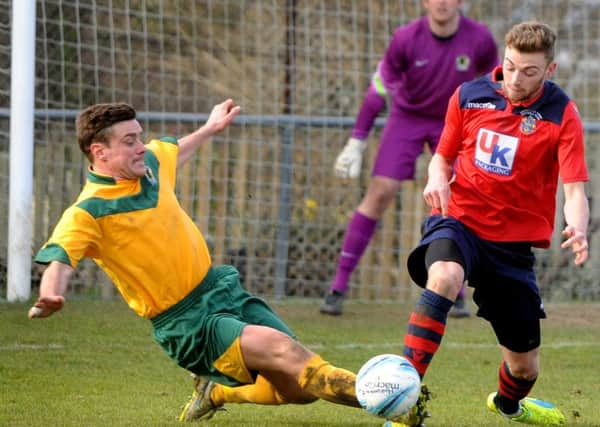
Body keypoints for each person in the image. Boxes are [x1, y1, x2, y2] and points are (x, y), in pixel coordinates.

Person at [27, 99, 362, 422]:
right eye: (130, 141)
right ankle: (391, 398)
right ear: (100, 152)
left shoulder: (150, 168)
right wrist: (52, 293)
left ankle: (216, 393)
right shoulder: (88, 212)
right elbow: (61, 259)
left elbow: (176, 150)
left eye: (140, 136)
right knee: (285, 352)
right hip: (186, 323)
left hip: (219, 290)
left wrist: (210, 128)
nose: (142, 146)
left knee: (299, 390)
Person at [395, 21, 589, 426]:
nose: (516, 79)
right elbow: (442, 156)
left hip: (512, 248)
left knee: (524, 369)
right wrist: (435, 177)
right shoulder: (470, 95)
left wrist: (579, 228)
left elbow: (573, 191)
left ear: (549, 71)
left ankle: (507, 406)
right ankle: (403, 397)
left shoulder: (561, 113)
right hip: (459, 221)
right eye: (511, 66)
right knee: (444, 276)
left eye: (529, 72)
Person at [321, 0, 498, 317]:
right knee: (380, 193)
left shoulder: (480, 39)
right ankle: (338, 287)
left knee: (455, 197)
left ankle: (454, 289)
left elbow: (497, 87)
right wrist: (357, 140)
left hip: (453, 121)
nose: (442, 3)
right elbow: (379, 87)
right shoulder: (405, 39)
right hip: (407, 118)